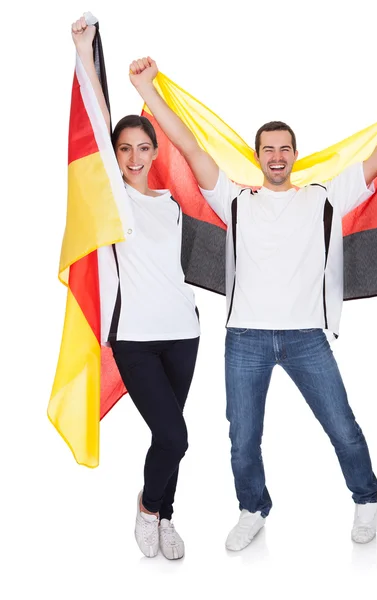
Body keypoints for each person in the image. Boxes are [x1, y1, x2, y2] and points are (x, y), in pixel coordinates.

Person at [129, 55, 377, 551]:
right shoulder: (234, 200)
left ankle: (366, 499)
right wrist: (148, 90)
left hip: (307, 337)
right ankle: (252, 509)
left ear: (295, 155)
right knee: (242, 441)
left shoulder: (325, 197)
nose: (277, 156)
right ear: (259, 156)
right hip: (245, 338)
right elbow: (188, 144)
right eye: (269, 149)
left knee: (342, 427)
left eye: (285, 149)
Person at [71, 18, 201, 560]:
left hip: (184, 333)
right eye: (124, 148)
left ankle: (164, 514)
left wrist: (151, 91)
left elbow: (190, 148)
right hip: (135, 339)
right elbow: (97, 131)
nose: (132, 156)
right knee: (176, 436)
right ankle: (149, 508)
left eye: (141, 146)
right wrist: (85, 52)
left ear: (152, 151)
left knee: (165, 439)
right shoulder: (114, 204)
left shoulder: (171, 204)